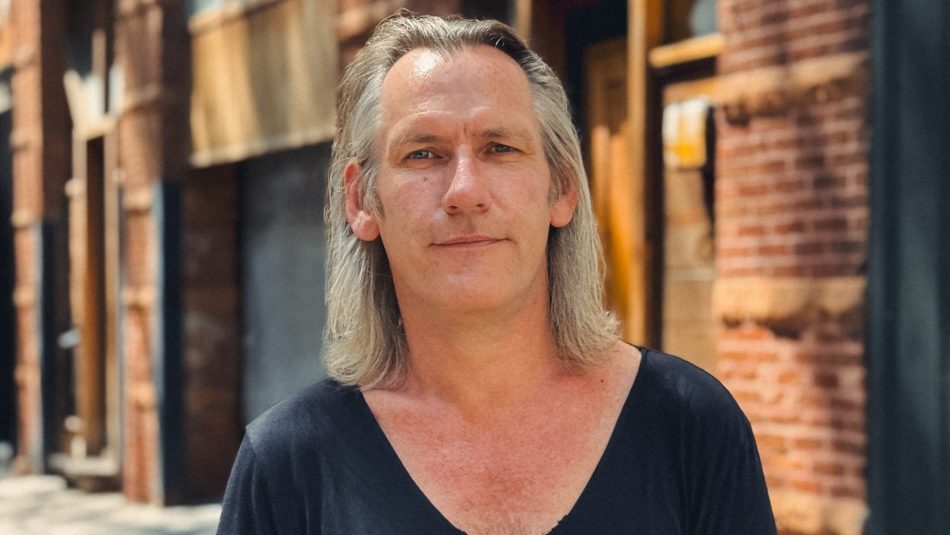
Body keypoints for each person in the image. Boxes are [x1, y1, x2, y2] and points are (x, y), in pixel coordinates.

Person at [218, 12, 776, 535]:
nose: (465, 191)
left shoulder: (690, 424)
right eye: (422, 154)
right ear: (361, 200)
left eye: (500, 147)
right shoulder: (288, 465)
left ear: (562, 188)